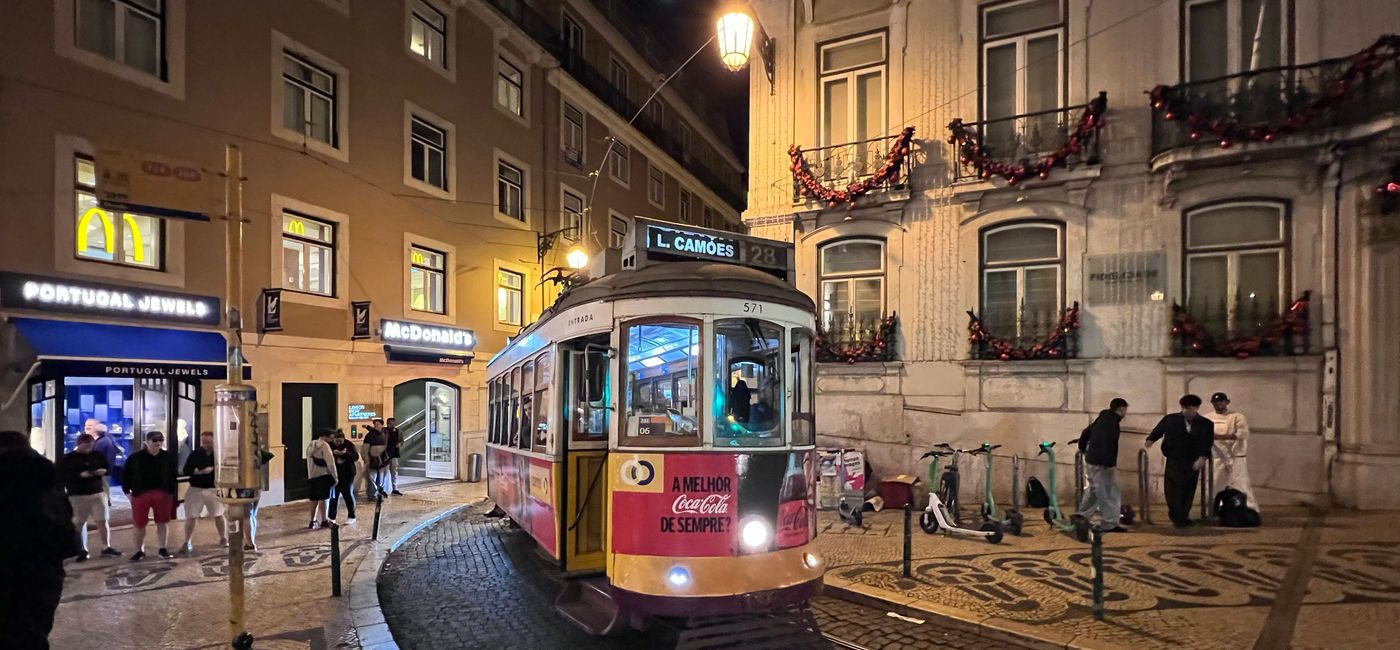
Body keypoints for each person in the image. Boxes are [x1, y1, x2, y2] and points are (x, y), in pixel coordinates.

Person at [0, 430, 79, 650]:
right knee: (34, 632)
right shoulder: (46, 477)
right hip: (45, 571)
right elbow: (65, 523)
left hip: (8, 568)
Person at [1145, 395, 1215, 528]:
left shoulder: (1206, 424)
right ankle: (1176, 516)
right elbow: (1158, 430)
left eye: (1188, 408)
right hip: (1174, 458)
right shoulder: (1171, 419)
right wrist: (1151, 439)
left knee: (1188, 488)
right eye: (1183, 408)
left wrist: (1203, 457)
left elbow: (1207, 442)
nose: (1185, 411)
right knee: (1172, 488)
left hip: (1192, 460)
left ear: (1196, 408)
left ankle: (1183, 515)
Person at [57, 433, 120, 560]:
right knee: (79, 522)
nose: (88, 450)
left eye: (90, 447)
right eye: (85, 447)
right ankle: (82, 549)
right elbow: (61, 475)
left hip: (97, 492)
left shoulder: (97, 455)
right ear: (78, 445)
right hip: (78, 494)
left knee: (102, 520)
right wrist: (79, 476)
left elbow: (107, 468)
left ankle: (106, 546)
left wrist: (102, 471)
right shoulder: (68, 459)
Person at [1074, 398, 1129, 533]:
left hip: (1093, 459)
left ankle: (1082, 515)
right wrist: (1108, 462)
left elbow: (1086, 432)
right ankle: (1109, 523)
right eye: (1125, 410)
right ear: (1121, 409)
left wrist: (1082, 447)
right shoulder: (1111, 422)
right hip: (1102, 462)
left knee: (1094, 490)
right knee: (1109, 492)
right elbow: (1108, 443)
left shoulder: (1102, 418)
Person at [123, 431, 177, 560]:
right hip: (141, 493)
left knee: (162, 522)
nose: (158, 443)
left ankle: (162, 548)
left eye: (160, 440)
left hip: (162, 493)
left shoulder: (168, 457)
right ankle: (138, 550)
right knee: (139, 523)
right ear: (147, 442)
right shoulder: (135, 457)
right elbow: (126, 475)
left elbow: (172, 474)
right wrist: (127, 492)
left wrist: (171, 492)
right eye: (154, 440)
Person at [1206, 392, 1257, 510]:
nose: (1218, 404)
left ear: (1227, 402)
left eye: (1221, 401)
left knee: (1241, 484)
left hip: (1236, 456)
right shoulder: (1207, 417)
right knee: (1216, 484)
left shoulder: (1237, 416)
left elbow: (1242, 434)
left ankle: (1247, 509)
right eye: (1216, 402)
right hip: (1216, 456)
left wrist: (1219, 436)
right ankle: (1216, 509)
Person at [180, 431, 227, 554]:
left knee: (219, 514)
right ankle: (187, 541)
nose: (206, 444)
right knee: (191, 516)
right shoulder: (196, 454)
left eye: (209, 442)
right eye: (204, 442)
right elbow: (186, 470)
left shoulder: (219, 453)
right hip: (196, 489)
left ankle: (223, 538)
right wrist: (199, 472)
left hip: (214, 489)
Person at [305, 428, 339, 529]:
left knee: (314, 499)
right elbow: (330, 462)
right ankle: (324, 520)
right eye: (331, 437)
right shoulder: (324, 445)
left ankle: (312, 521)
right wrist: (335, 476)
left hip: (312, 475)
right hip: (324, 475)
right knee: (324, 499)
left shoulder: (310, 445)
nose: (332, 440)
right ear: (325, 436)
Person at [328, 430, 359, 524]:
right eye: (336, 441)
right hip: (334, 474)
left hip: (347, 473)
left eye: (340, 441)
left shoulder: (349, 444)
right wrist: (333, 454)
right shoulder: (329, 445)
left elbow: (355, 457)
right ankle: (331, 517)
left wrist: (345, 454)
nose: (338, 443)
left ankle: (352, 516)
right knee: (334, 496)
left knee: (348, 494)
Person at [90, 420, 123, 500]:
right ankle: (107, 500)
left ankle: (106, 501)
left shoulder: (101, 442)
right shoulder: (109, 439)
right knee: (105, 485)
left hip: (103, 468)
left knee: (103, 485)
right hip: (108, 467)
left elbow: (96, 455)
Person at [361, 420, 389, 499]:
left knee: (380, 480)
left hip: (383, 461)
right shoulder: (369, 435)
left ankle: (378, 494)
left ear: (382, 425)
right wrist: (366, 459)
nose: (376, 425)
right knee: (371, 478)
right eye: (375, 424)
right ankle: (372, 495)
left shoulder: (385, 433)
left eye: (378, 424)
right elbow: (365, 449)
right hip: (372, 460)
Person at [384, 417, 404, 496]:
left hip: (395, 454)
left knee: (394, 472)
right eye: (391, 423)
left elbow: (402, 440)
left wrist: (400, 444)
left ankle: (394, 488)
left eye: (393, 423)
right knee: (385, 472)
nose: (393, 425)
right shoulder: (384, 431)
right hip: (386, 454)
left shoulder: (398, 431)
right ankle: (384, 489)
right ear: (387, 423)